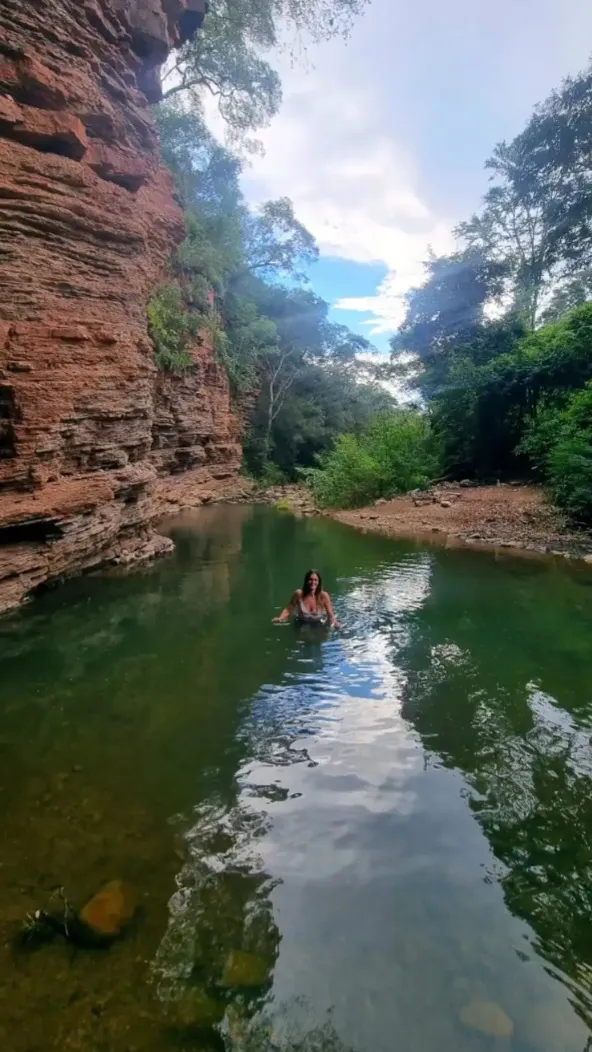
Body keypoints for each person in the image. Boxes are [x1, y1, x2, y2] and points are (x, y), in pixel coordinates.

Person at [272, 569, 340, 628]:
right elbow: (288, 609)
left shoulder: (324, 596)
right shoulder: (298, 594)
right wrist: (280, 618)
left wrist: (335, 623)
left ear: (319, 582)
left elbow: (330, 615)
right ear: (306, 581)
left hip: (318, 623)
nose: (313, 582)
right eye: (310, 579)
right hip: (301, 623)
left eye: (316, 580)